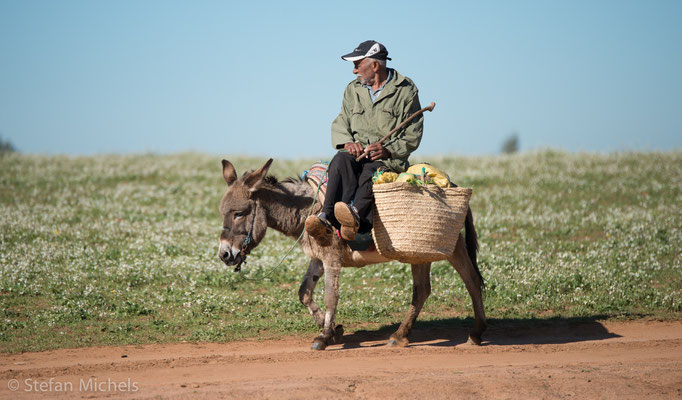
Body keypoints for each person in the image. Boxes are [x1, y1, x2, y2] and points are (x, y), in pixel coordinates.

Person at [305, 40, 423, 246]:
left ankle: (355, 217)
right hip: (355, 157)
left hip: (386, 161)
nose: (354, 71)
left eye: (357, 64)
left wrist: (387, 150)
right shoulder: (353, 90)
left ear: (375, 66)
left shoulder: (406, 90)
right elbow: (342, 120)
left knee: (373, 171)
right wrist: (347, 143)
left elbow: (413, 133)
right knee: (340, 160)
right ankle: (325, 217)